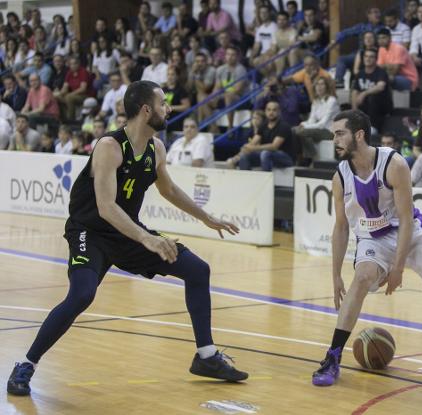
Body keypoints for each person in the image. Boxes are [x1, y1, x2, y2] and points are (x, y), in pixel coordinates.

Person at [6, 81, 248, 397]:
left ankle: (206, 356)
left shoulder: (156, 148)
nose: (168, 108)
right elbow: (106, 207)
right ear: (146, 109)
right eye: (163, 103)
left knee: (197, 270)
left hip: (127, 231)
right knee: (81, 295)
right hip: (89, 232)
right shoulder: (109, 146)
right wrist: (146, 238)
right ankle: (26, 364)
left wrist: (207, 218)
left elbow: (169, 190)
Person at [311, 109, 422, 387]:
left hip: (411, 231)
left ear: (359, 135)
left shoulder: (393, 163)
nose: (334, 140)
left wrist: (398, 268)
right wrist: (335, 274)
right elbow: (341, 227)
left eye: (339, 134)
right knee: (360, 279)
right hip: (374, 237)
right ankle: (333, 356)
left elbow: (407, 218)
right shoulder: (340, 176)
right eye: (333, 134)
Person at [293, 76, 339, 164]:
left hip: (330, 131)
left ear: (327, 87)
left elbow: (322, 124)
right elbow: (311, 120)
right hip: (319, 130)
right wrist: (303, 123)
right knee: (293, 130)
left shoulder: (332, 101)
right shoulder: (315, 101)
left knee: (301, 132)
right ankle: (299, 157)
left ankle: (311, 157)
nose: (319, 87)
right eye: (317, 84)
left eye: (322, 84)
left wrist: (305, 126)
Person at [238, 100, 295, 171]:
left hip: (286, 158)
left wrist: (253, 148)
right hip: (267, 155)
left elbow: (274, 146)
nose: (271, 112)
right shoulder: (263, 125)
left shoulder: (284, 126)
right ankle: (246, 178)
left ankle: (266, 178)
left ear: (279, 112)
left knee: (265, 153)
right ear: (265, 111)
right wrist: (246, 148)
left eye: (274, 110)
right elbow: (253, 142)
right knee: (244, 156)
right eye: (269, 110)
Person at [351, 48, 393, 131]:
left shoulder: (381, 72)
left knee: (372, 97)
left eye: (371, 57)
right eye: (366, 56)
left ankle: (373, 127)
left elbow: (381, 86)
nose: (368, 59)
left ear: (376, 59)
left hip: (382, 106)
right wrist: (354, 110)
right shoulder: (360, 73)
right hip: (365, 105)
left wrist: (364, 93)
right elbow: (354, 92)